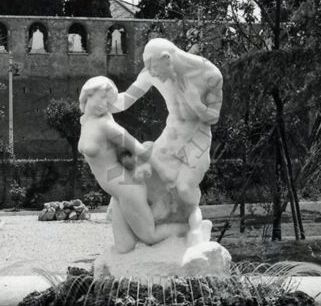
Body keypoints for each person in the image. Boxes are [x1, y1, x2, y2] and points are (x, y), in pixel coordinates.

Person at [113, 38, 222, 236]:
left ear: (167, 58)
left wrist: (196, 105)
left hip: (196, 140)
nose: (151, 74)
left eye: (154, 69)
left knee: (184, 188)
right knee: (138, 175)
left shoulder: (210, 74)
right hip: (169, 138)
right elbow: (126, 99)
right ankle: (146, 230)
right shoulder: (150, 72)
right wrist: (99, 100)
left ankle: (196, 225)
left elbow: (214, 117)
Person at [77, 76, 185, 252]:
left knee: (150, 236)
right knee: (124, 246)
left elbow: (139, 148)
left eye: (109, 101)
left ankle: (190, 229)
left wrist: (164, 172)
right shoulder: (86, 121)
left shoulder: (106, 125)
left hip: (127, 188)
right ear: (88, 93)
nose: (105, 104)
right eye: (102, 97)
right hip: (118, 192)